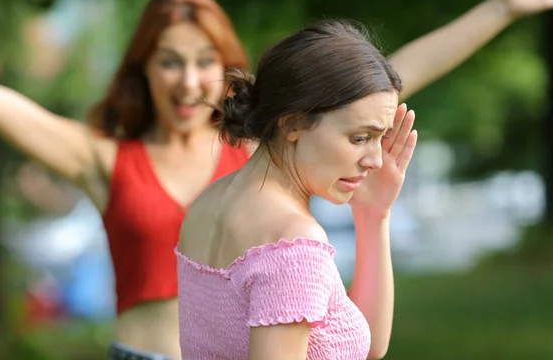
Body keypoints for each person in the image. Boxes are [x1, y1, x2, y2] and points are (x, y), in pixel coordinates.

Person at [0, 0, 552, 357]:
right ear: (142, 70)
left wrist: (501, 7)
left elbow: (377, 88)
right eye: (169, 61)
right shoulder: (109, 159)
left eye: (204, 60)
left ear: (229, 72)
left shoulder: (249, 153)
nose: (189, 81)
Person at [176, 19, 416, 360]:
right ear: (292, 124)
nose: (376, 160)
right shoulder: (293, 241)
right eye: (360, 138)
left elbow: (369, 347)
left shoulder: (205, 204)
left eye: (381, 137)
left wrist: (373, 213)